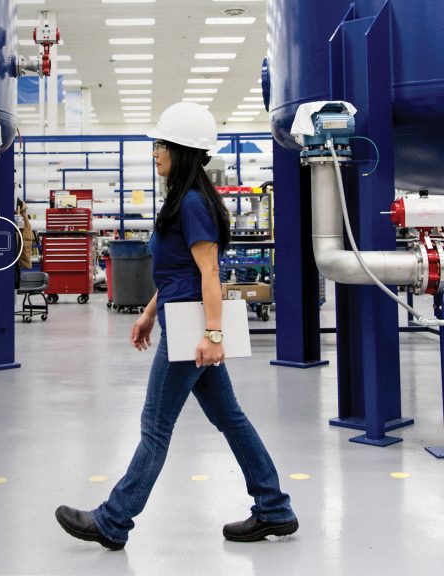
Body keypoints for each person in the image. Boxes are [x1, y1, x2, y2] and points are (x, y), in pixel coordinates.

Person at [54, 102, 297, 550]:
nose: (156, 152)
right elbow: (176, 272)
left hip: (190, 331)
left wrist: (213, 334)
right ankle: (274, 507)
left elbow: (208, 274)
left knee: (155, 427)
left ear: (182, 150)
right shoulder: (182, 201)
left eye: (162, 144)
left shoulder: (192, 204)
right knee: (231, 418)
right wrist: (148, 311)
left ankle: (113, 520)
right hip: (181, 319)